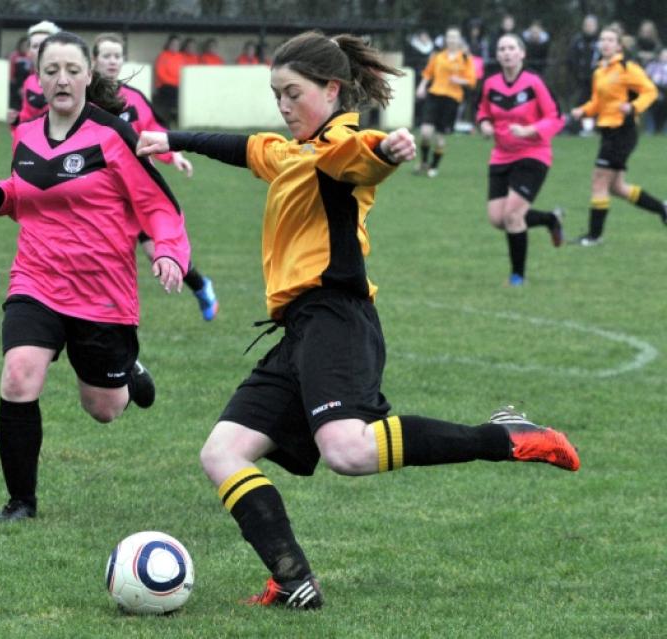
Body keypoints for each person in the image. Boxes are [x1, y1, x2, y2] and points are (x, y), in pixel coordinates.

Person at [137, 30, 581, 610]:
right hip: (299, 330)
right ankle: (292, 577)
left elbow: (363, 157)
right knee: (222, 452)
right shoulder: (292, 151)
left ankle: (505, 437)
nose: (283, 105)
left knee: (348, 450)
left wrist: (388, 152)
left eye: (293, 93)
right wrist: (168, 137)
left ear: (331, 89)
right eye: (276, 94)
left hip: (337, 319)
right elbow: (241, 146)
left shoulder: (339, 145)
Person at [0, 31, 191, 523]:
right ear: (37, 78)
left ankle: (128, 372)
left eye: (71, 70)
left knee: (103, 409)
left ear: (88, 75)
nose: (61, 79)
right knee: (19, 375)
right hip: (36, 279)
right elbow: (28, 190)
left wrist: (168, 251)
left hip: (102, 293)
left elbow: (158, 205)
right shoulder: (25, 133)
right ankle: (21, 502)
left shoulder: (113, 136)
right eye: (51, 70)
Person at [92, 32, 219, 320]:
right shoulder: (83, 100)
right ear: (94, 60)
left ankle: (200, 285)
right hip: (98, 192)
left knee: (154, 253)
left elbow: (152, 131)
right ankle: (100, 313)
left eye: (117, 56)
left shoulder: (133, 99)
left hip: (134, 190)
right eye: (106, 56)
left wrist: (174, 155)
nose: (112, 61)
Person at [477, 34, 565, 287]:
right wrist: (484, 125)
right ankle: (551, 219)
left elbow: (555, 117)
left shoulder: (534, 83)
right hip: (501, 155)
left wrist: (530, 131)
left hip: (533, 154)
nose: (506, 52)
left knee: (513, 216)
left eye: (511, 48)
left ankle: (518, 276)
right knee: (497, 219)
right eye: (501, 48)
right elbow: (482, 111)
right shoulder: (491, 84)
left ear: (522, 53)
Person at [569, 26, 666, 246]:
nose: (605, 43)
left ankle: (594, 236)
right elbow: (597, 102)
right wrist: (582, 110)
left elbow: (650, 91)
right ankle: (663, 208)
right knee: (616, 187)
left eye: (610, 40)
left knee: (599, 180)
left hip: (623, 131)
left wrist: (633, 107)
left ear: (619, 45)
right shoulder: (599, 71)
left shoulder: (627, 67)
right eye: (602, 39)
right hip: (608, 130)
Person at [415, 26, 476, 176]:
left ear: (459, 39)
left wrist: (459, 80)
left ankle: (433, 167)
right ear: (446, 39)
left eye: (455, 37)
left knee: (440, 136)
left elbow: (472, 81)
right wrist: (422, 86)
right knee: (425, 133)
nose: (452, 39)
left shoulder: (465, 58)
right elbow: (428, 73)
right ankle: (423, 162)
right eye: (449, 36)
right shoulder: (438, 56)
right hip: (434, 95)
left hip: (452, 99)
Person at [9, 20, 60, 130]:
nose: (40, 50)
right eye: (35, 46)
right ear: (29, 52)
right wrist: (15, 121)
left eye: (44, 45)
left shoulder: (69, 79)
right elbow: (25, 118)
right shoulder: (29, 82)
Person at [567, 15, 599, 135]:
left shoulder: (600, 41)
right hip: (580, 80)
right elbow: (571, 59)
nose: (589, 28)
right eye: (587, 25)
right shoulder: (577, 41)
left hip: (597, 80)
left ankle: (596, 128)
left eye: (591, 25)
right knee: (581, 103)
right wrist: (577, 74)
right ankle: (579, 128)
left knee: (596, 103)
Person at [153, 34, 182, 127]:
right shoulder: (163, 56)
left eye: (177, 44)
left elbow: (184, 73)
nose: (175, 46)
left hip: (178, 85)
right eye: (173, 44)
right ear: (168, 45)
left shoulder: (181, 57)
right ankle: (167, 121)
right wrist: (175, 83)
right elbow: (161, 74)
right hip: (165, 85)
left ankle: (176, 120)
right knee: (170, 96)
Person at [645, 47, 667, 133]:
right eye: (664, 55)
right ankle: (650, 129)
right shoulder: (652, 65)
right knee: (650, 105)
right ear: (660, 56)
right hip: (654, 89)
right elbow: (645, 78)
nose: (665, 57)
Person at [8, 36, 32, 113]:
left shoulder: (30, 57)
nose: (24, 47)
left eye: (26, 46)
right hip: (16, 83)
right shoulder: (14, 56)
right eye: (23, 45)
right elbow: (11, 70)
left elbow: (32, 72)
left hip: (27, 83)